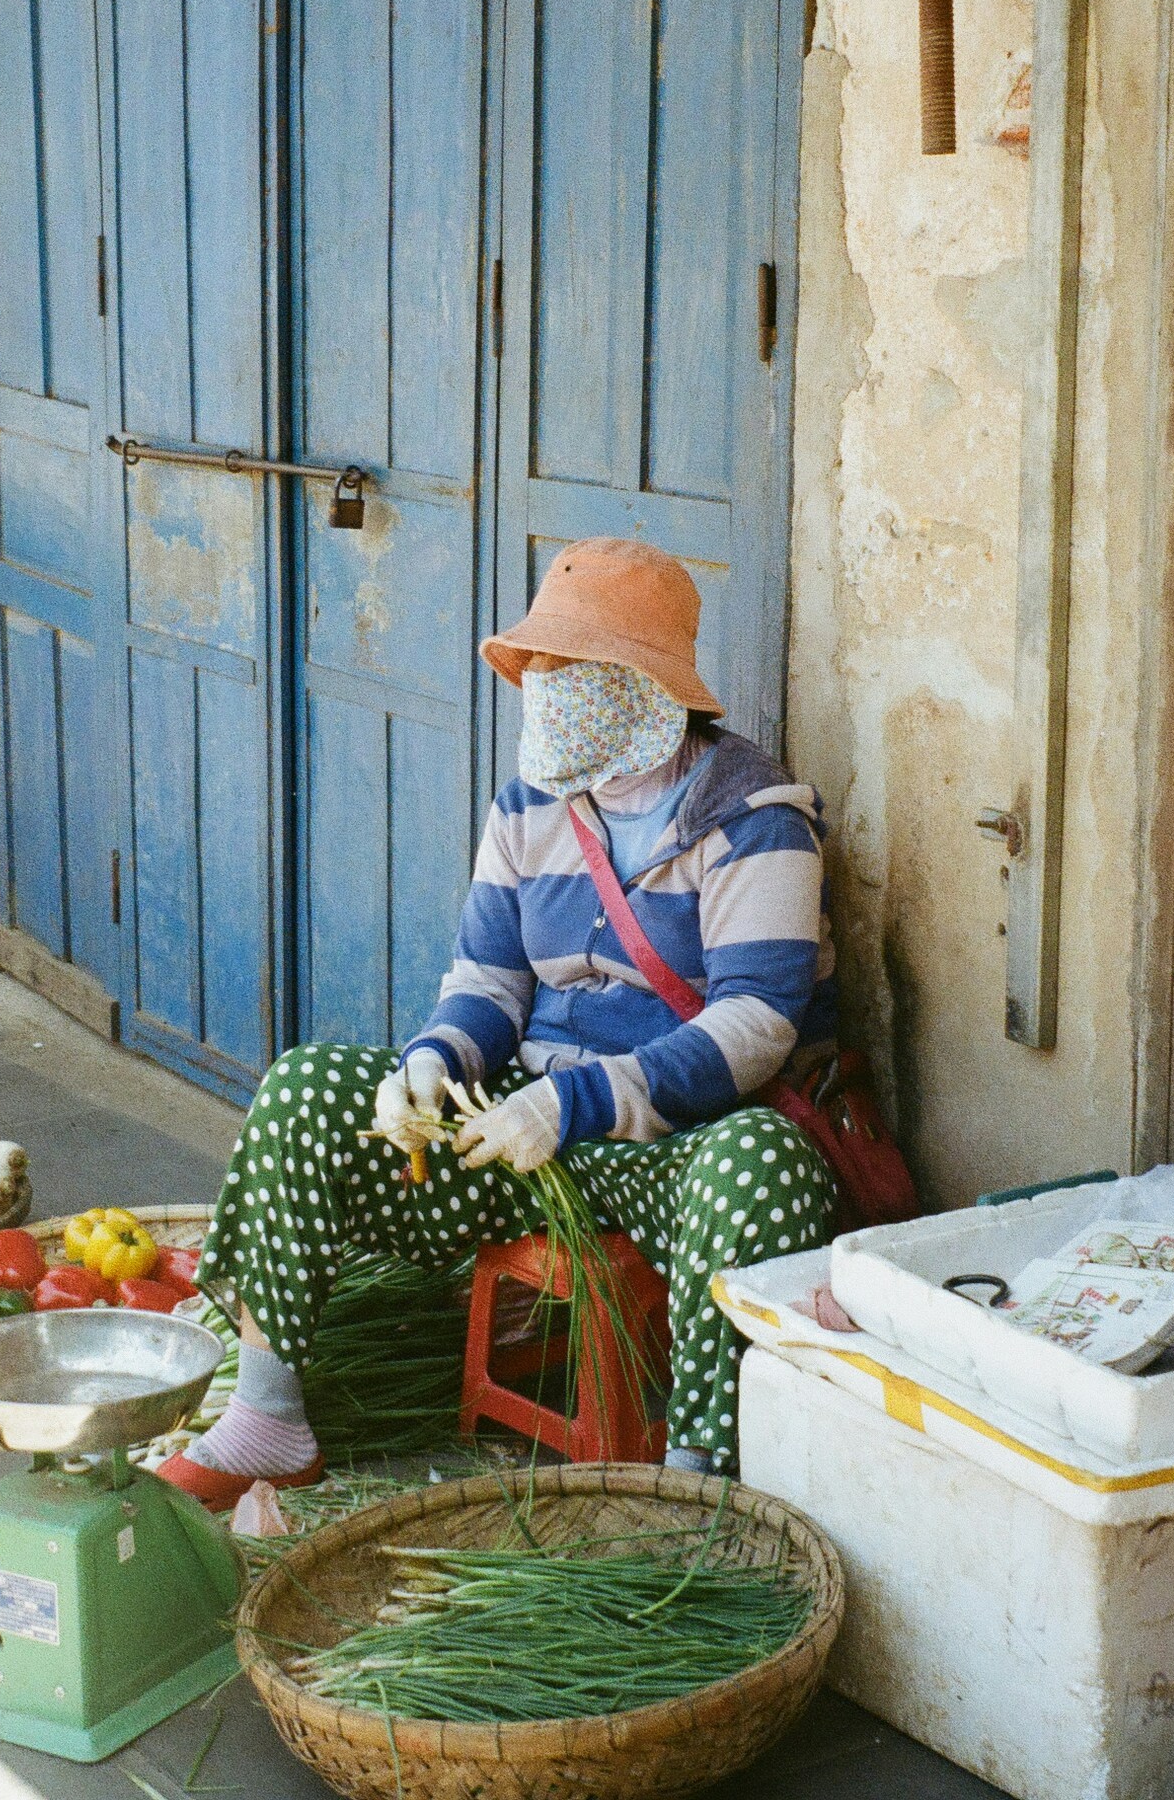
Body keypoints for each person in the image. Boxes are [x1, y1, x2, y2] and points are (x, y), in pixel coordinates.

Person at [159, 537, 839, 1508]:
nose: (545, 686)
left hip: (669, 1145)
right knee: (307, 1087)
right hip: (510, 1138)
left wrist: (576, 1100)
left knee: (763, 1165)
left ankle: (697, 1479)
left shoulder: (754, 820)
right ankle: (267, 1419)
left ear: (647, 682)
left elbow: (755, 1024)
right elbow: (488, 976)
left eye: (573, 667)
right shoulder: (529, 804)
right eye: (541, 665)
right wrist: (433, 1061)